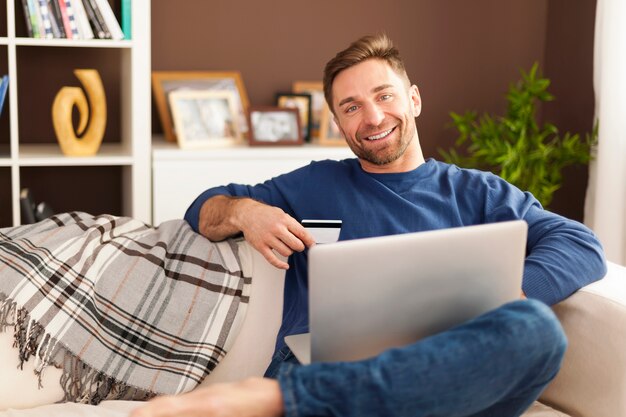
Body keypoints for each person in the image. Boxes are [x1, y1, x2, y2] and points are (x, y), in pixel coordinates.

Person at [132, 34, 606, 417]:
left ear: (414, 99)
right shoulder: (314, 185)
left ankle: (280, 403)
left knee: (537, 330)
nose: (373, 117)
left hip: (446, 377)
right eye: (352, 106)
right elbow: (203, 208)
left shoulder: (479, 192)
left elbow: (580, 242)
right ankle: (283, 400)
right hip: (328, 373)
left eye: (384, 96)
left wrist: (516, 293)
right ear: (338, 122)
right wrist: (243, 211)